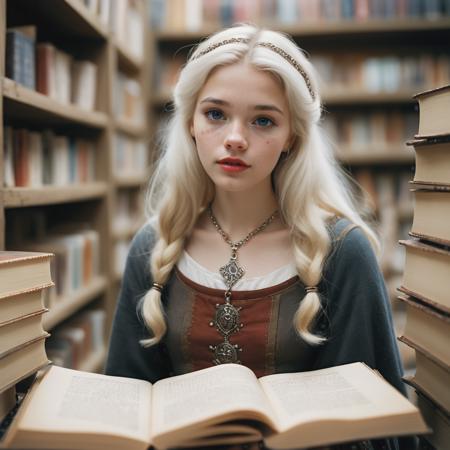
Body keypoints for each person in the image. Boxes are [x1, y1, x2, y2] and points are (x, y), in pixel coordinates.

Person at [105, 24, 415, 450]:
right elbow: (124, 401)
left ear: (292, 136)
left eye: (263, 120)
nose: (235, 138)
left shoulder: (342, 250)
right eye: (215, 113)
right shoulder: (153, 245)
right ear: (191, 122)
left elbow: (376, 431)